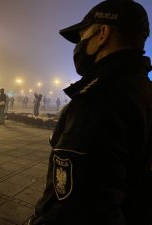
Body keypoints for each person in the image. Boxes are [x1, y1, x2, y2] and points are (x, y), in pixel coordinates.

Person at [30, 1, 152, 225]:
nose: (79, 44)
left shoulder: (97, 99)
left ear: (103, 33)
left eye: (82, 35)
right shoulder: (143, 89)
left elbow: (76, 205)